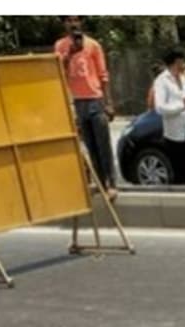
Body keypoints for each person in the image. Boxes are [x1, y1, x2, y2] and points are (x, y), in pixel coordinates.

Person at [54, 16, 117, 200]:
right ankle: (99, 182)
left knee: (103, 144)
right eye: (69, 20)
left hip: (95, 99)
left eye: (76, 19)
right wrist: (71, 53)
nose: (73, 24)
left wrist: (109, 103)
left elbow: (103, 75)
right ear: (64, 23)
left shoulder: (93, 45)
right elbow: (58, 70)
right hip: (77, 101)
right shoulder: (60, 46)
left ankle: (111, 184)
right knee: (90, 145)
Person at [152, 50, 185, 185]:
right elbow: (160, 108)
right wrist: (182, 105)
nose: (184, 65)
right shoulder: (161, 81)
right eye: (181, 61)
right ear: (175, 62)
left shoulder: (184, 78)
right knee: (181, 175)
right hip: (175, 136)